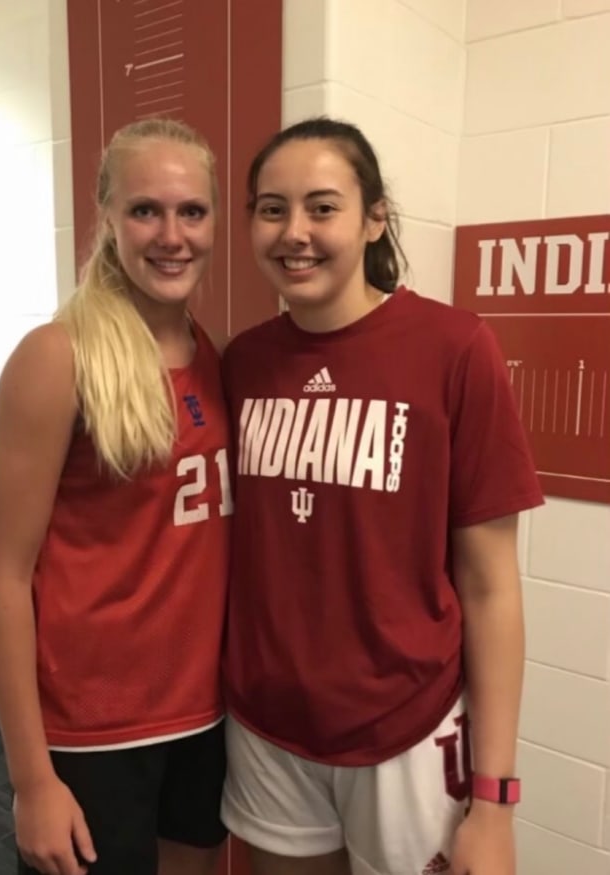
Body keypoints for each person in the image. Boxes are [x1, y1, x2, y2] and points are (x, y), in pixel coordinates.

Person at [220, 117, 543, 875]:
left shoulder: (456, 348)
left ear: (374, 219)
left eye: (322, 206)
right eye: (272, 208)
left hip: (407, 726)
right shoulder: (242, 361)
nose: (295, 231)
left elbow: (492, 587)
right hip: (268, 723)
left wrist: (494, 802)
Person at [0, 118, 232, 875]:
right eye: (145, 210)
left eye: (192, 211)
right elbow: (1, 577)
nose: (171, 234)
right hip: (91, 735)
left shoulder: (210, 351)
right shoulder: (56, 358)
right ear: (107, 215)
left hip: (202, 717)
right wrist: (31, 779)